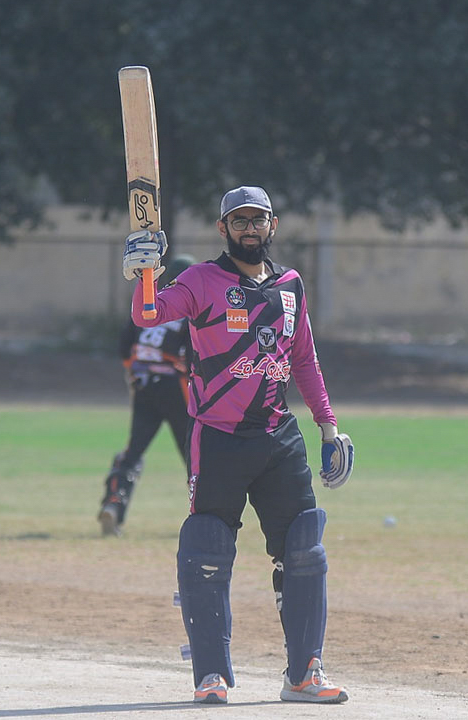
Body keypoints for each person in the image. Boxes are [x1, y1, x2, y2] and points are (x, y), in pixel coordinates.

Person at [122, 186, 354, 704]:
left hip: (279, 436)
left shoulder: (291, 286)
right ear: (223, 228)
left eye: (258, 220)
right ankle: (211, 676)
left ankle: (304, 674)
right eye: (240, 221)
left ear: (273, 225)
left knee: (304, 548)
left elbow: (304, 360)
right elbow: (148, 315)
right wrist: (144, 275)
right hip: (218, 436)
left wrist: (328, 427)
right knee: (206, 547)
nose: (250, 229)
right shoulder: (201, 280)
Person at [98, 256, 195, 537]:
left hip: (143, 384)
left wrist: (134, 373)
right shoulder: (189, 313)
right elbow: (193, 358)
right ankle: (207, 514)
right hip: (175, 388)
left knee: (133, 452)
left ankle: (113, 504)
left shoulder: (150, 305)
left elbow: (124, 345)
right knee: (194, 455)